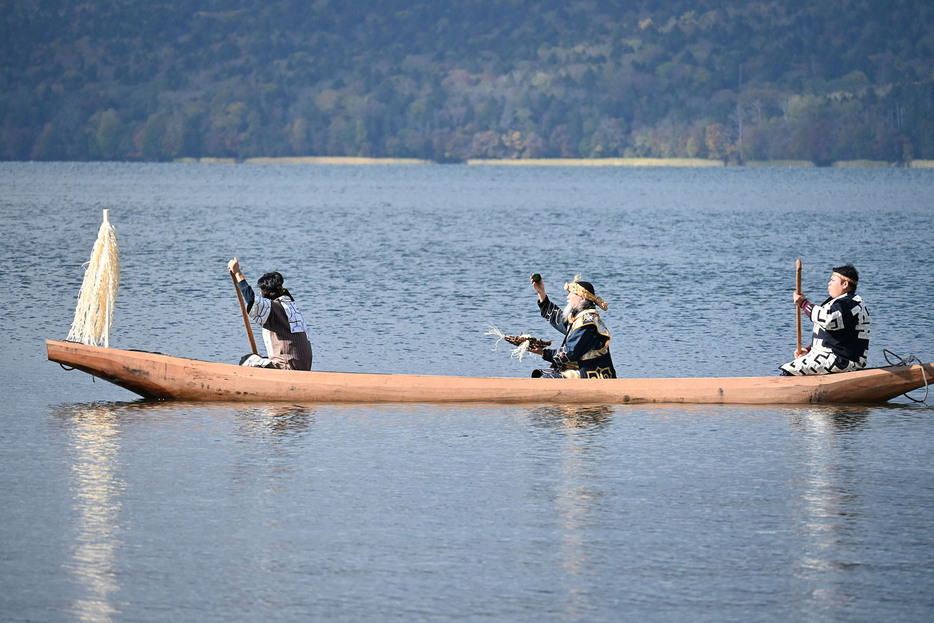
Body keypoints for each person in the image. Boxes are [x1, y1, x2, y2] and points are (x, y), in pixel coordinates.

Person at [780, 263, 870, 376]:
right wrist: (809, 349)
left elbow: (827, 319)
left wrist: (803, 303)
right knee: (799, 365)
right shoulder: (841, 302)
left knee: (789, 370)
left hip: (843, 360)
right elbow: (833, 335)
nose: (829, 283)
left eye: (833, 280)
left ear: (845, 284)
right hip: (834, 356)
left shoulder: (849, 303)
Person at [227, 258, 313, 370]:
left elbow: (251, 300)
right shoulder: (290, 304)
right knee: (257, 358)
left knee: (246, 360)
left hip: (288, 368)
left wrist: (238, 273)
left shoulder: (275, 308)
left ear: (263, 293)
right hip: (302, 366)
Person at [528, 274, 617, 379]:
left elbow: (570, 352)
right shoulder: (581, 317)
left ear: (582, 298)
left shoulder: (587, 323)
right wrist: (541, 293)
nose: (568, 297)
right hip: (581, 369)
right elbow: (557, 318)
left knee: (544, 378)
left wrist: (543, 352)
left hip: (591, 375)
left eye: (572, 293)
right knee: (539, 374)